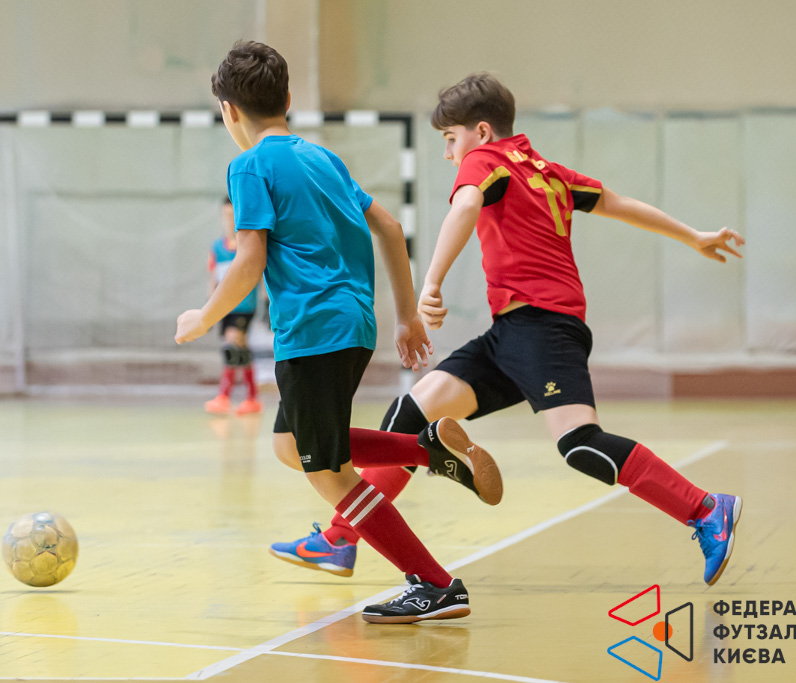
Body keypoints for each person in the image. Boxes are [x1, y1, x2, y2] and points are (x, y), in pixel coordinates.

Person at [271, 73, 746, 588]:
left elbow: (466, 205)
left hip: (544, 329)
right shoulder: (547, 171)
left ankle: (705, 508)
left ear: (480, 131)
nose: (449, 154)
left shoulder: (486, 159)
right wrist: (692, 236)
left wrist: (431, 282)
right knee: (411, 413)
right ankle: (342, 537)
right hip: (512, 332)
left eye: (450, 139)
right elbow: (618, 203)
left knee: (581, 444)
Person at [175, 42, 503, 624]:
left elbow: (249, 260)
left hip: (313, 329)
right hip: (354, 323)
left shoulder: (248, 166)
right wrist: (406, 316)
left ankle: (435, 583)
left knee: (328, 472)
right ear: (288, 100)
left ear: (228, 110)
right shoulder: (323, 158)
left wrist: (203, 317)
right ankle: (426, 449)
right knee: (291, 445)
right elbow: (390, 226)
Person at [205, 196, 263, 416]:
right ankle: (252, 397)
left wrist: (267, 301)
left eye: (233, 216)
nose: (229, 220)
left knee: (231, 345)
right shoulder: (216, 248)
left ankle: (224, 396)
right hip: (224, 307)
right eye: (226, 215)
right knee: (241, 349)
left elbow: (259, 275)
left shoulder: (247, 246)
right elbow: (213, 279)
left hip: (244, 306)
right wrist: (208, 311)